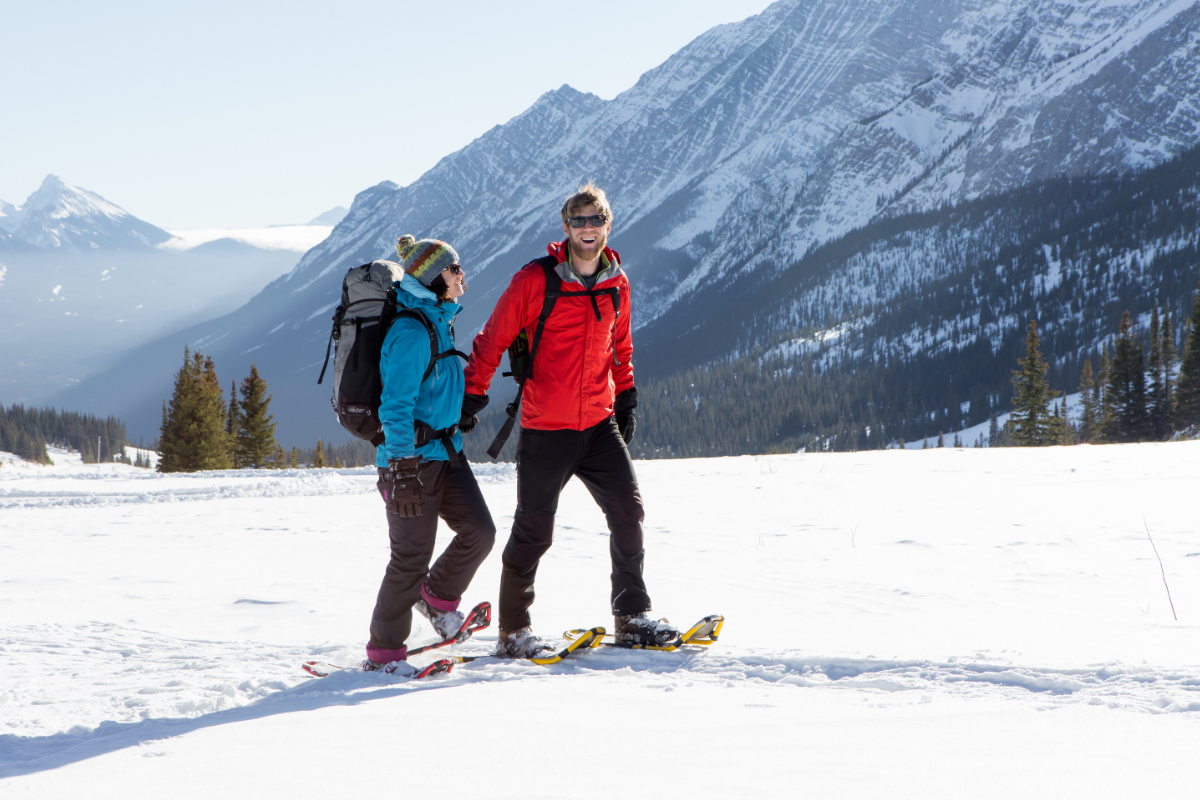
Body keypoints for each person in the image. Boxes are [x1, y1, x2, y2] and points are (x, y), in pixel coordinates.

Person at [460, 182, 677, 657]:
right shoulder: (535, 281)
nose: (587, 229)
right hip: (545, 429)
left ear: (607, 225)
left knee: (628, 514)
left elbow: (621, 348)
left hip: (600, 425)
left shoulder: (617, 282)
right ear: (565, 227)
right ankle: (513, 631)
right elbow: (492, 338)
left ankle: (631, 615)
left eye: (595, 220)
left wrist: (628, 399)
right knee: (535, 531)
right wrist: (471, 394)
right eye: (578, 221)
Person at [366, 235, 496, 672]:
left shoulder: (438, 318)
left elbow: (431, 389)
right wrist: (400, 466)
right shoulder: (410, 330)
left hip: (446, 453)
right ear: (432, 276)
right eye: (454, 268)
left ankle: (437, 600)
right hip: (411, 463)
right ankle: (384, 654)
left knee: (479, 530)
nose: (461, 275)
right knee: (409, 559)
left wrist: (456, 415)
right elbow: (395, 406)